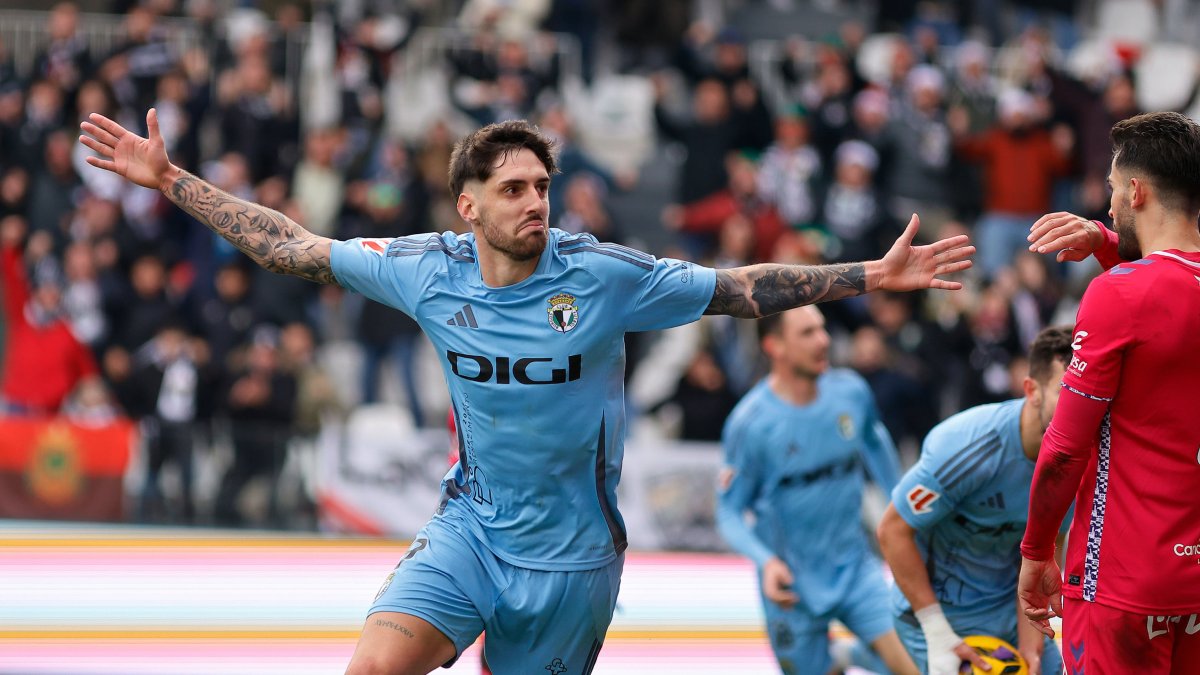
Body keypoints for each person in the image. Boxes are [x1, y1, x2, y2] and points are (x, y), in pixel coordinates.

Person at [78, 109, 973, 674]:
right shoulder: (425, 270)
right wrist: (171, 180)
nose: (535, 201)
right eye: (512, 188)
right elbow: (292, 246)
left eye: (542, 185)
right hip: (468, 526)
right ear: (467, 205)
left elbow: (741, 288)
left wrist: (869, 276)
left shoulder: (605, 277)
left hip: (575, 561)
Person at [1017, 111, 1200, 674]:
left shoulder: (1116, 292)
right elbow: (1171, 307)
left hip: (1121, 584)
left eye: (1114, 190)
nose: (1110, 205)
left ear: (1138, 191)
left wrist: (1036, 551)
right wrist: (1105, 241)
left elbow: (1065, 449)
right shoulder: (1144, 285)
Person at [716, 305, 917, 675]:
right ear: (774, 345)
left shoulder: (851, 392)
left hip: (856, 568)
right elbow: (728, 512)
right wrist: (767, 562)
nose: (823, 341)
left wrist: (900, 508)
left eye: (823, 329)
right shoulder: (751, 424)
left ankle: (854, 654)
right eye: (807, 333)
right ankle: (839, 659)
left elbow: (876, 443)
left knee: (915, 667)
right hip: (792, 586)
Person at [876, 326, 1073, 674]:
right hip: (939, 616)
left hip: (1009, 614)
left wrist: (1031, 646)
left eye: (1084, 394)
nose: (1078, 407)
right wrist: (938, 634)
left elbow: (1042, 558)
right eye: (1065, 391)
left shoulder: (1079, 463)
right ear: (1032, 391)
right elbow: (892, 530)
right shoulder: (967, 446)